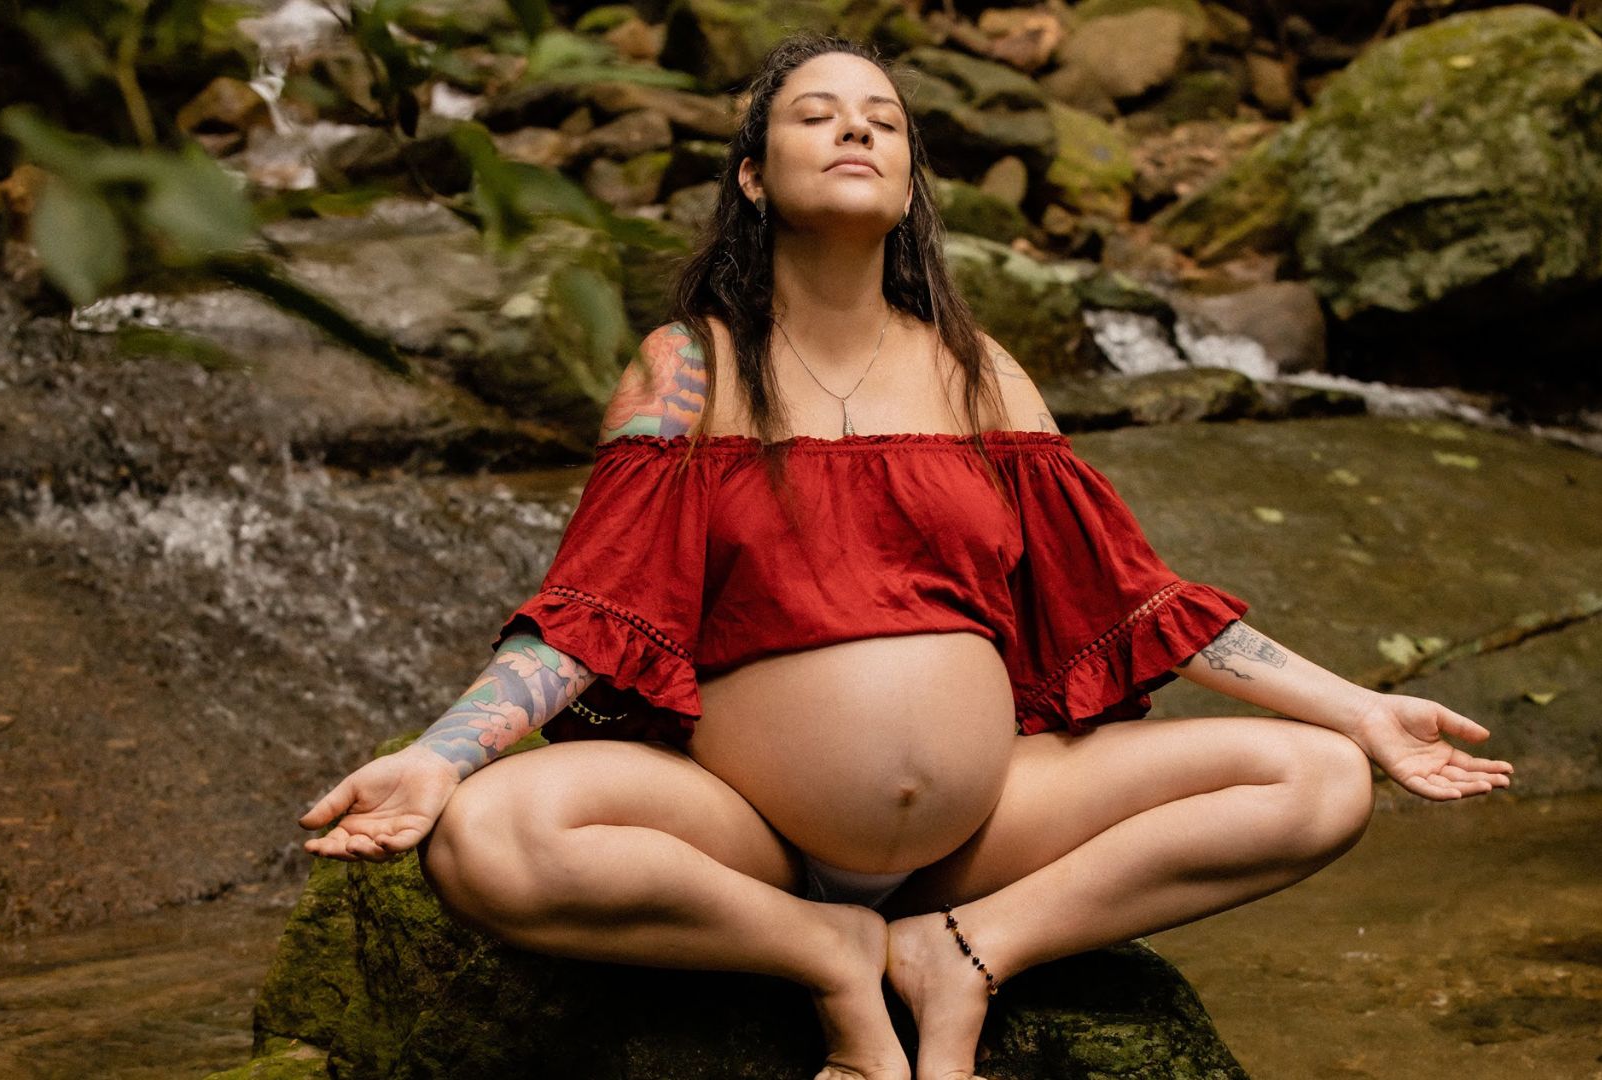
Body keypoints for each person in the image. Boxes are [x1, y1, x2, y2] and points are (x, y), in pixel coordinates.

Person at [297, 32, 1514, 1080]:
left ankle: (965, 952)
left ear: (913, 182)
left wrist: (1361, 711)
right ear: (752, 177)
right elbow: (589, 607)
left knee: (1320, 783)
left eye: (883, 120)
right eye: (816, 115)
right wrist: (444, 759)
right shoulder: (691, 367)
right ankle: (820, 951)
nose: (855, 132)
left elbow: (1138, 599)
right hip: (744, 831)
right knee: (487, 838)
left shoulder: (981, 375)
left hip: (984, 836)